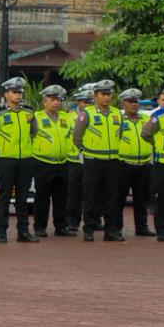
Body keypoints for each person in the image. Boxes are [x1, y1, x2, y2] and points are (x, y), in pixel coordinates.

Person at [0, 77, 39, 244]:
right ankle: (2, 232)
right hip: (6, 160)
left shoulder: (28, 111)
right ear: (6, 94)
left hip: (25, 160)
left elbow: (34, 131)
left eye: (20, 92)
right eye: (14, 92)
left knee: (22, 198)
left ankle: (23, 232)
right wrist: (4, 146)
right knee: (4, 197)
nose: (18, 95)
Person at [75, 80, 122, 241]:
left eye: (109, 94)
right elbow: (77, 137)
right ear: (95, 96)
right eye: (103, 94)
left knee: (111, 198)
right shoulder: (87, 113)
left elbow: (120, 134)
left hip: (112, 161)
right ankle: (88, 229)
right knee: (90, 196)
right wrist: (87, 150)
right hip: (93, 161)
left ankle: (110, 231)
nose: (107, 97)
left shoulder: (117, 113)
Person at [31, 85, 73, 237]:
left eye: (58, 100)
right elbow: (30, 136)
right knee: (42, 197)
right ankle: (39, 227)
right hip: (42, 162)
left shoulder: (66, 118)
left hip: (62, 162)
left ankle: (61, 226)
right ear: (44, 101)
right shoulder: (36, 117)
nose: (56, 103)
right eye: (52, 99)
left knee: (61, 197)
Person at [116, 89, 154, 238]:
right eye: (130, 101)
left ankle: (142, 227)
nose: (134, 104)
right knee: (118, 198)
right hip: (123, 164)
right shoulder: (118, 120)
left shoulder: (146, 118)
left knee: (142, 199)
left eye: (136, 101)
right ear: (123, 103)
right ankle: (116, 228)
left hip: (144, 164)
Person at [66, 87, 95, 234]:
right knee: (74, 194)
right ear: (78, 102)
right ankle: (73, 221)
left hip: (91, 159)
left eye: (90, 102)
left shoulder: (95, 115)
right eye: (85, 102)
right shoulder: (69, 117)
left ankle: (95, 220)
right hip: (74, 160)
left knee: (93, 192)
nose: (88, 105)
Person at [140, 86, 164, 241]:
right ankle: (162, 230)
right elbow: (146, 133)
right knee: (163, 197)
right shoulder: (159, 116)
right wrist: (157, 144)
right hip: (163, 163)